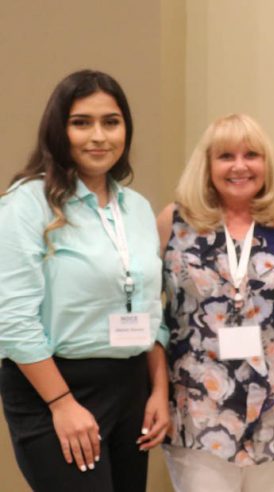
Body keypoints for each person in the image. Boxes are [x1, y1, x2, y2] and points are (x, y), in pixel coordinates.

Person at [0, 69, 169, 491]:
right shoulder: (27, 203)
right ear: (59, 130)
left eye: (111, 122)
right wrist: (61, 404)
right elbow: (12, 318)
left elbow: (152, 311)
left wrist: (158, 391)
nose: (99, 136)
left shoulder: (137, 208)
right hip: (55, 386)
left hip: (130, 383)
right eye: (81, 123)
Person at [157, 114, 274, 491]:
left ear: (266, 163)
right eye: (226, 156)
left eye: (251, 155)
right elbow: (147, 313)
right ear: (207, 165)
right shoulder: (175, 221)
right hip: (198, 411)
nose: (240, 166)